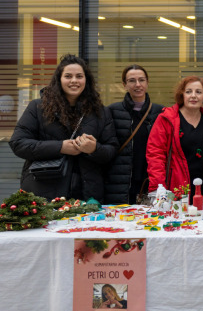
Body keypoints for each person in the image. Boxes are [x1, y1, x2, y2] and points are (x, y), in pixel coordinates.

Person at [10, 54, 118, 203]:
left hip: (87, 196)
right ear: (59, 80)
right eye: (68, 76)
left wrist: (94, 149)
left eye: (79, 76)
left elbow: (111, 150)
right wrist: (60, 147)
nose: (74, 80)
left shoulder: (100, 112)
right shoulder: (37, 107)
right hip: (44, 193)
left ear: (86, 80)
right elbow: (18, 143)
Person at [146, 76, 203, 200]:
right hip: (175, 188)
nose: (193, 96)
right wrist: (158, 188)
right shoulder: (166, 119)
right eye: (188, 92)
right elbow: (155, 155)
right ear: (182, 95)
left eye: (198, 92)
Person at [107, 65, 164, 204]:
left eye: (141, 80)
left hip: (150, 178)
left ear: (147, 83)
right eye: (132, 81)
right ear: (124, 85)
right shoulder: (112, 111)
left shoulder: (161, 112)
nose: (137, 84)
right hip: (121, 180)